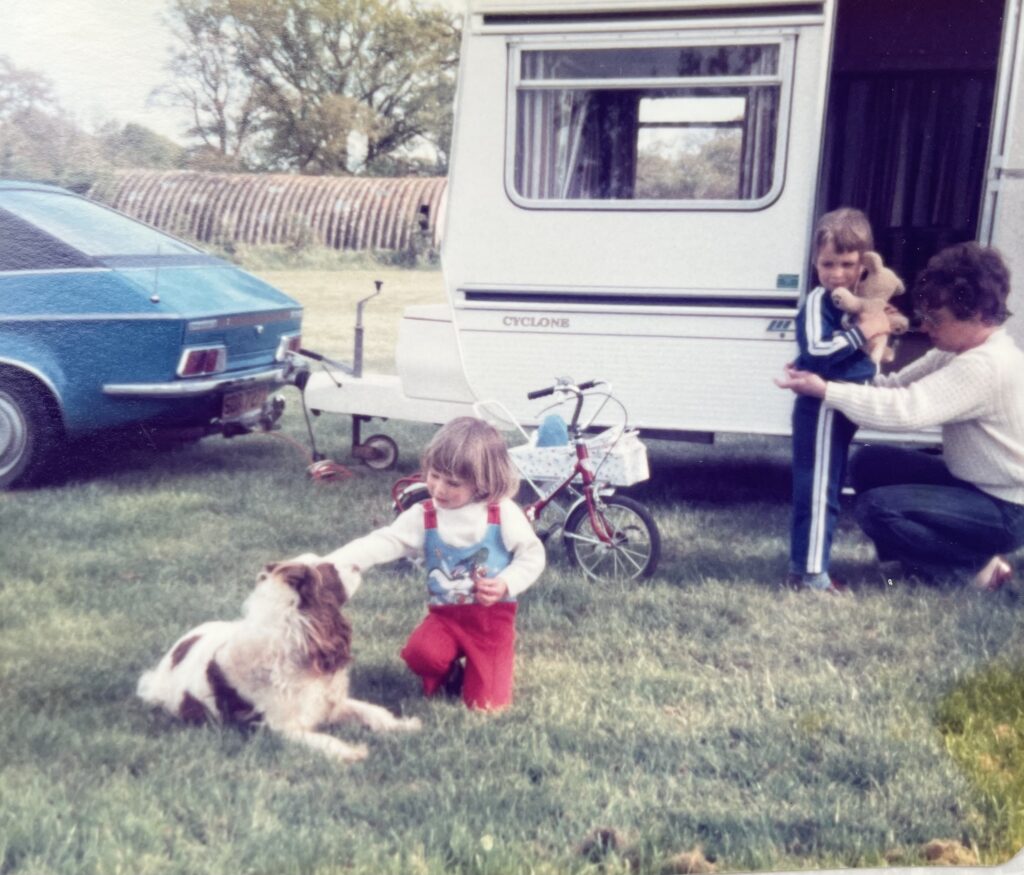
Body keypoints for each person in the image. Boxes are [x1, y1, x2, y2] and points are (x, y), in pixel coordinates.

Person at [776, 242, 1024, 589]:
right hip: (975, 487)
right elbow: (891, 386)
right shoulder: (957, 351)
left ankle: (971, 569)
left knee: (879, 508)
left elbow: (906, 410)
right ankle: (942, 560)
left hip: (1007, 510)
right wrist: (832, 376)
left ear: (980, 315)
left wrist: (827, 391)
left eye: (937, 319)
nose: (925, 328)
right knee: (870, 463)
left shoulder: (986, 365)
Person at [322, 417, 545, 710]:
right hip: (446, 617)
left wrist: (506, 583)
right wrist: (330, 564)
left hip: (492, 624)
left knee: (487, 706)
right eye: (434, 475)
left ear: (483, 483)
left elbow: (532, 554)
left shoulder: (501, 512)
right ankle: (450, 671)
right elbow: (384, 542)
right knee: (420, 654)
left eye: (453, 483)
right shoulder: (424, 514)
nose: (439, 489)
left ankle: (481, 675)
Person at [784, 207, 893, 592]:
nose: (837, 274)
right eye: (828, 264)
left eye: (847, 264)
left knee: (826, 486)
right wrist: (863, 333)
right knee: (818, 489)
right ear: (816, 262)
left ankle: (805, 567)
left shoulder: (856, 301)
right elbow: (815, 348)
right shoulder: (818, 302)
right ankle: (812, 576)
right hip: (821, 406)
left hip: (841, 402)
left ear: (863, 263)